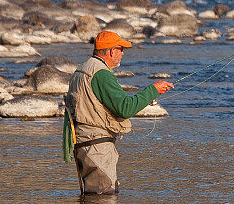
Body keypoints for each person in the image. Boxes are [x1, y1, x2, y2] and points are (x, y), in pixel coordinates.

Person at [62, 30, 173, 194]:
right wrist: (152, 90)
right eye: (121, 49)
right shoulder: (101, 74)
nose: (122, 53)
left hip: (85, 144)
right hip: (97, 147)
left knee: (93, 199)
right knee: (103, 199)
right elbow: (125, 108)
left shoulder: (82, 69)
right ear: (112, 51)